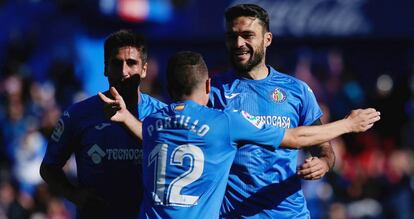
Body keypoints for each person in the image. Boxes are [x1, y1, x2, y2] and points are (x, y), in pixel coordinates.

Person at [98, 51, 380, 218]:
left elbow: (146, 137)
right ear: (209, 86)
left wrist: (125, 118)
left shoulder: (155, 122)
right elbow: (294, 138)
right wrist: (347, 124)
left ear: (169, 89)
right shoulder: (225, 122)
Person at [208, 4, 337, 218]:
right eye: (232, 37)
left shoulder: (297, 91)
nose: (239, 43)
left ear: (267, 39)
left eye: (248, 35)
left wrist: (323, 163)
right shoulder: (212, 92)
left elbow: (324, 149)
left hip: (290, 213)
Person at [39, 29, 166, 219]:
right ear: (105, 68)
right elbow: (49, 168)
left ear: (145, 69)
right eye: (116, 63)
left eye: (131, 63)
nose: (124, 71)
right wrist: (74, 195)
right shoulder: (78, 114)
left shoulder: (162, 114)